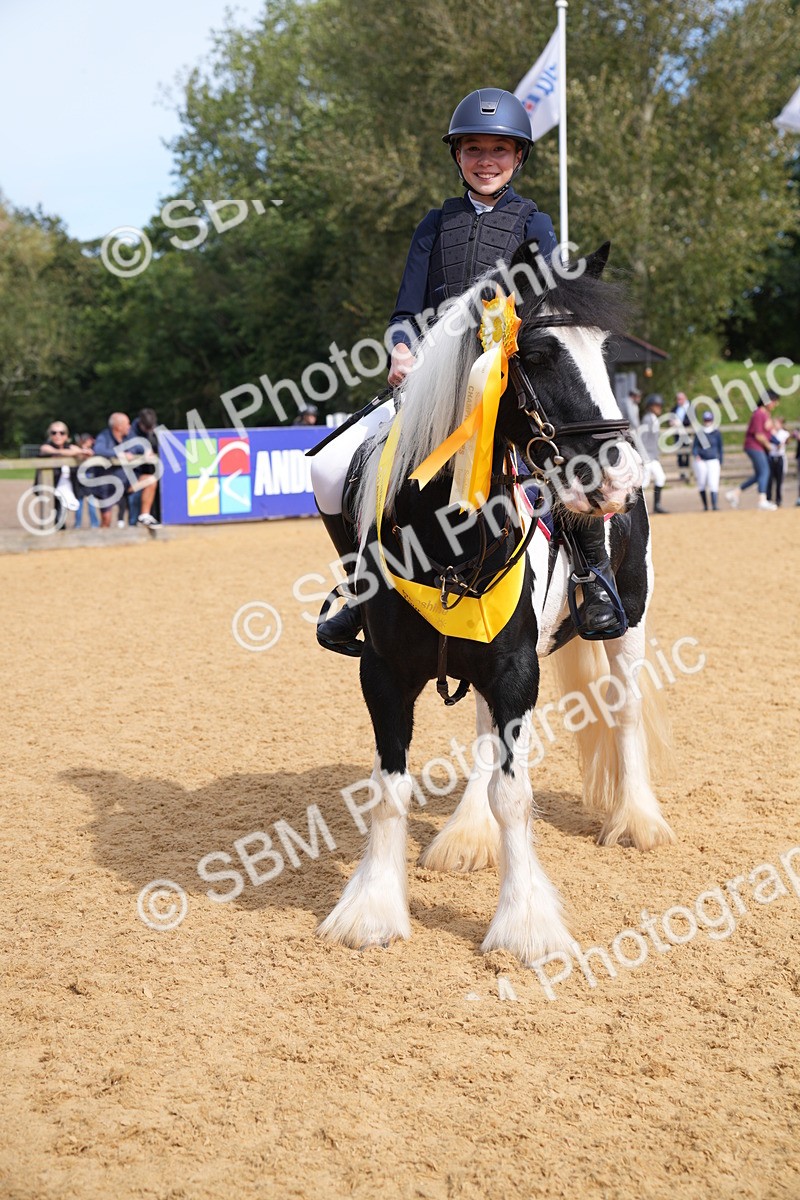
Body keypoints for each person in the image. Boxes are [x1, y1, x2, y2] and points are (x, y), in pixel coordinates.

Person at [314, 87, 624, 655]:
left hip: (505, 385)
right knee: (331, 468)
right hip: (431, 389)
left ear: (518, 158)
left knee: (565, 459)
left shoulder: (534, 222)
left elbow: (548, 301)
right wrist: (401, 351)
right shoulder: (433, 225)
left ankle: (592, 575)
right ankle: (363, 586)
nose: (487, 161)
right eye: (475, 149)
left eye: (500, 151)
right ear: (457, 155)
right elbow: (405, 312)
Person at [726, 391, 779, 511]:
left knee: (759, 475)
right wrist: (768, 445)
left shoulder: (766, 415)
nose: (775, 405)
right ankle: (762, 501)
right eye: (774, 401)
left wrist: (779, 441)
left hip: (758, 447)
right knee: (765, 471)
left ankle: (734, 494)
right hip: (754, 446)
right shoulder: (759, 414)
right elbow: (758, 435)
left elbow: (769, 433)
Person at [35, 422, 91, 529]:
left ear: (67, 435)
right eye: (54, 433)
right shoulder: (46, 447)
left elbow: (85, 454)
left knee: (61, 517)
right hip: (50, 489)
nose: (58, 435)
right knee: (52, 517)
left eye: (62, 433)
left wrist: (81, 452)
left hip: (67, 489)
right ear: (49, 435)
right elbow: (54, 451)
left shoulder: (71, 447)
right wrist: (78, 452)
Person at [126, 407, 161, 526]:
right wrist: (144, 450)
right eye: (147, 428)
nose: (149, 431)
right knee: (134, 502)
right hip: (134, 474)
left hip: (151, 472)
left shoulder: (155, 429)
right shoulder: (130, 431)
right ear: (140, 423)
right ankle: (132, 526)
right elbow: (128, 447)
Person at [639, 395, 668, 514]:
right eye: (657, 406)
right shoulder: (647, 419)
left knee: (661, 477)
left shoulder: (654, 419)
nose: (659, 408)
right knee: (644, 483)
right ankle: (639, 510)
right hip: (647, 456)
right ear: (651, 407)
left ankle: (657, 505)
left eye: (660, 406)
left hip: (653, 456)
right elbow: (642, 438)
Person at [691, 410, 723, 511]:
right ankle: (705, 506)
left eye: (709, 420)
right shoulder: (700, 433)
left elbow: (720, 448)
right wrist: (696, 455)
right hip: (702, 461)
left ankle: (714, 505)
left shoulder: (716, 433)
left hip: (713, 460)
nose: (707, 422)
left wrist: (720, 460)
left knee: (713, 483)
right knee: (702, 482)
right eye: (706, 420)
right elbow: (695, 447)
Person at [72, 433, 101, 528]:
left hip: (87, 480)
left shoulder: (91, 450)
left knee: (88, 504)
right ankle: (83, 524)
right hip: (83, 480)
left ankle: (84, 524)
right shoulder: (81, 451)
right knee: (81, 504)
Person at [766, 415, 789, 508]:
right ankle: (768, 499)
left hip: (780, 458)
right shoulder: (771, 432)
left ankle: (778, 500)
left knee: (779, 481)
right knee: (770, 480)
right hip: (771, 457)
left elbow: (784, 443)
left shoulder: (784, 433)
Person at [671, 391, 692, 481]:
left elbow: (690, 420)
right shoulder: (675, 408)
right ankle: (682, 473)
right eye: (678, 399)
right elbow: (670, 416)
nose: (679, 401)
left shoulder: (690, 408)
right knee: (679, 454)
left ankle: (687, 472)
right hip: (677, 434)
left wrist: (680, 423)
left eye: (680, 399)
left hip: (686, 434)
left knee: (686, 453)